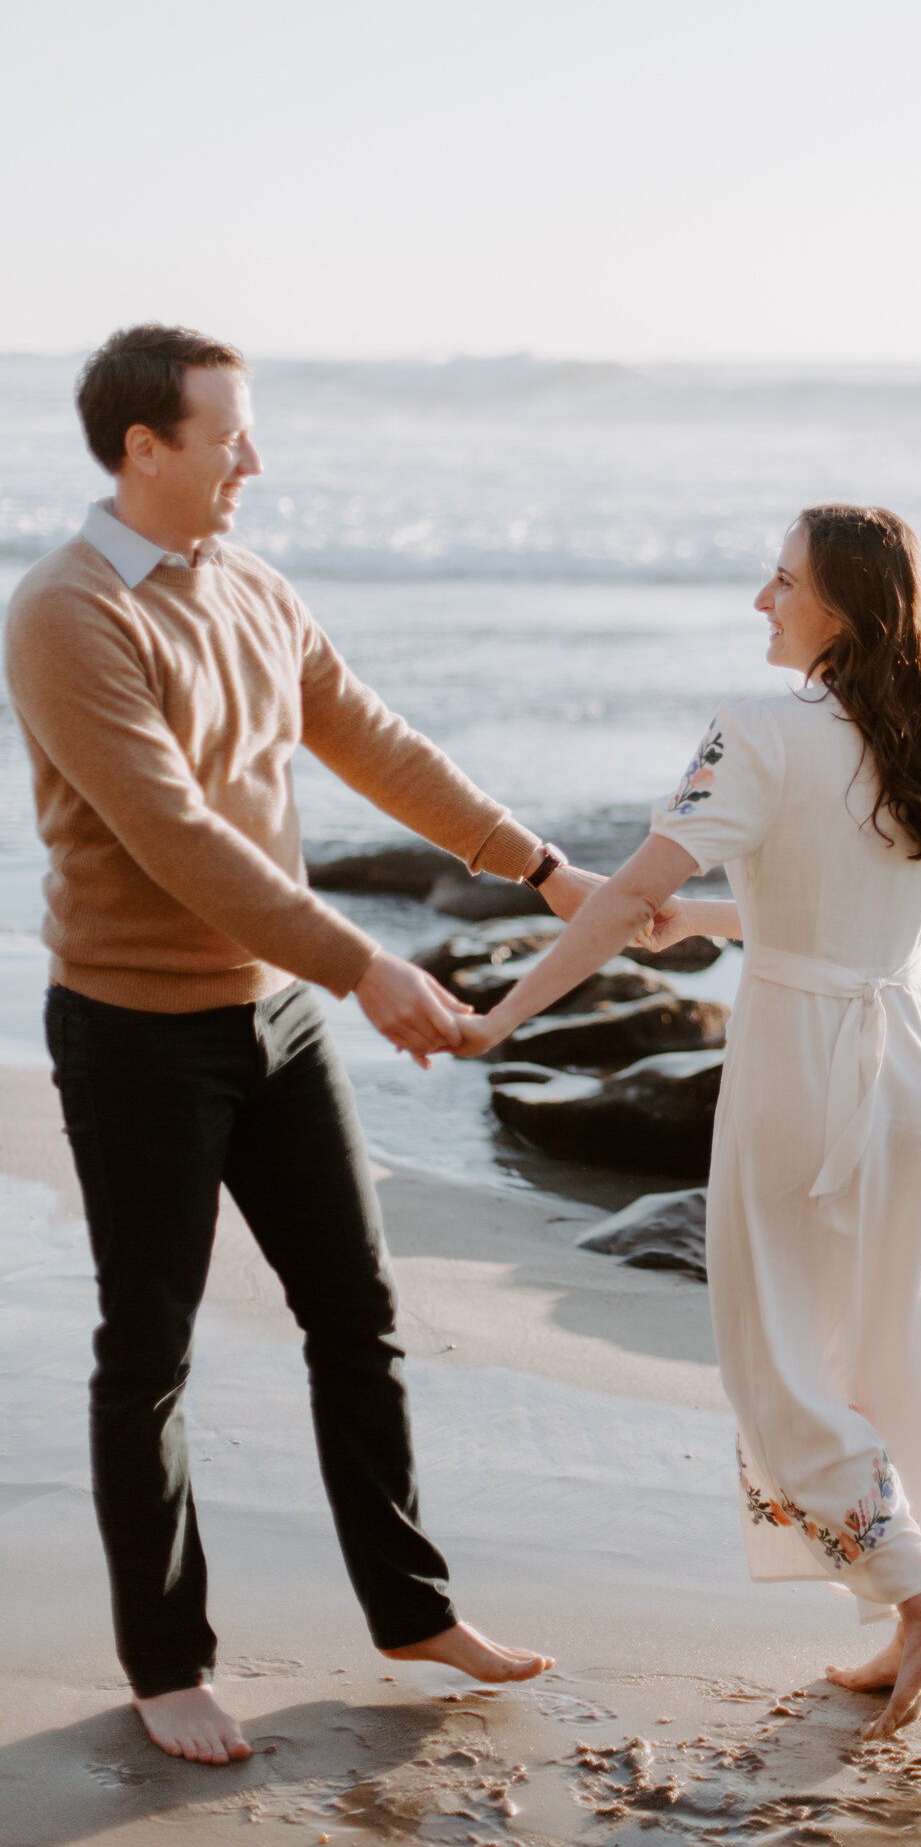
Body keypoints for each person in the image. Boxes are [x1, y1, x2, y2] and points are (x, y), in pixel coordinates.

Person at [1, 323, 620, 1766]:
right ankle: (167, 1663)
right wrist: (360, 966)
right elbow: (175, 838)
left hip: (269, 1017)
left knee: (359, 1319)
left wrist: (542, 868)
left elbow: (369, 736)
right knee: (147, 1352)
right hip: (140, 1030)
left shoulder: (254, 586)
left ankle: (410, 1611)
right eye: (229, 437)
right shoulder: (66, 613)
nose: (254, 462)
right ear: (143, 446)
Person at [447, 504, 921, 1738]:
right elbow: (833, 907)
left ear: (844, 609)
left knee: (771, 1353)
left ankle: (918, 1594)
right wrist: (703, 920)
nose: (761, 601)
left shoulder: (758, 730)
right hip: (910, 1059)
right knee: (896, 1345)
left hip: (803, 1062)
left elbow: (622, 901)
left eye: (781, 581)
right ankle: (914, 1608)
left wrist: (501, 1016)